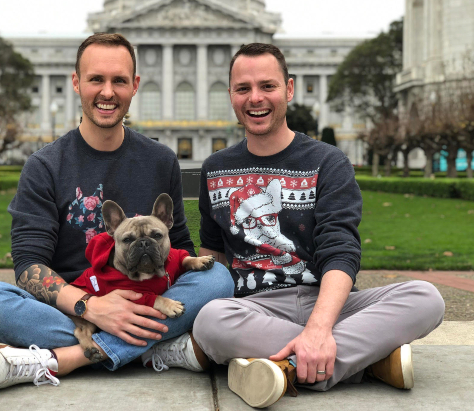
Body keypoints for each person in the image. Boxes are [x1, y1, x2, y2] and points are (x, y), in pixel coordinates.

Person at [0, 33, 234, 390]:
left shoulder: (161, 160)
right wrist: (92, 308)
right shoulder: (44, 165)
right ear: (76, 82)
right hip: (73, 306)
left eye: (119, 80)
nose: (108, 92)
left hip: (147, 299)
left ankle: (67, 358)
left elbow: (179, 243)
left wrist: (146, 300)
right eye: (96, 79)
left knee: (218, 279)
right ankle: (152, 349)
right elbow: (28, 264)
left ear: (135, 86)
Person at [191, 43, 445, 408]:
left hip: (329, 302)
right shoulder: (215, 167)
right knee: (211, 319)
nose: (255, 98)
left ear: (289, 90)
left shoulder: (328, 161)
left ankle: (287, 368)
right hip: (255, 309)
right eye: (243, 88)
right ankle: (366, 363)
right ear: (231, 94)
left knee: (426, 298)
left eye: (268, 86)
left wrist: (320, 328)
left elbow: (341, 249)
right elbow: (212, 253)